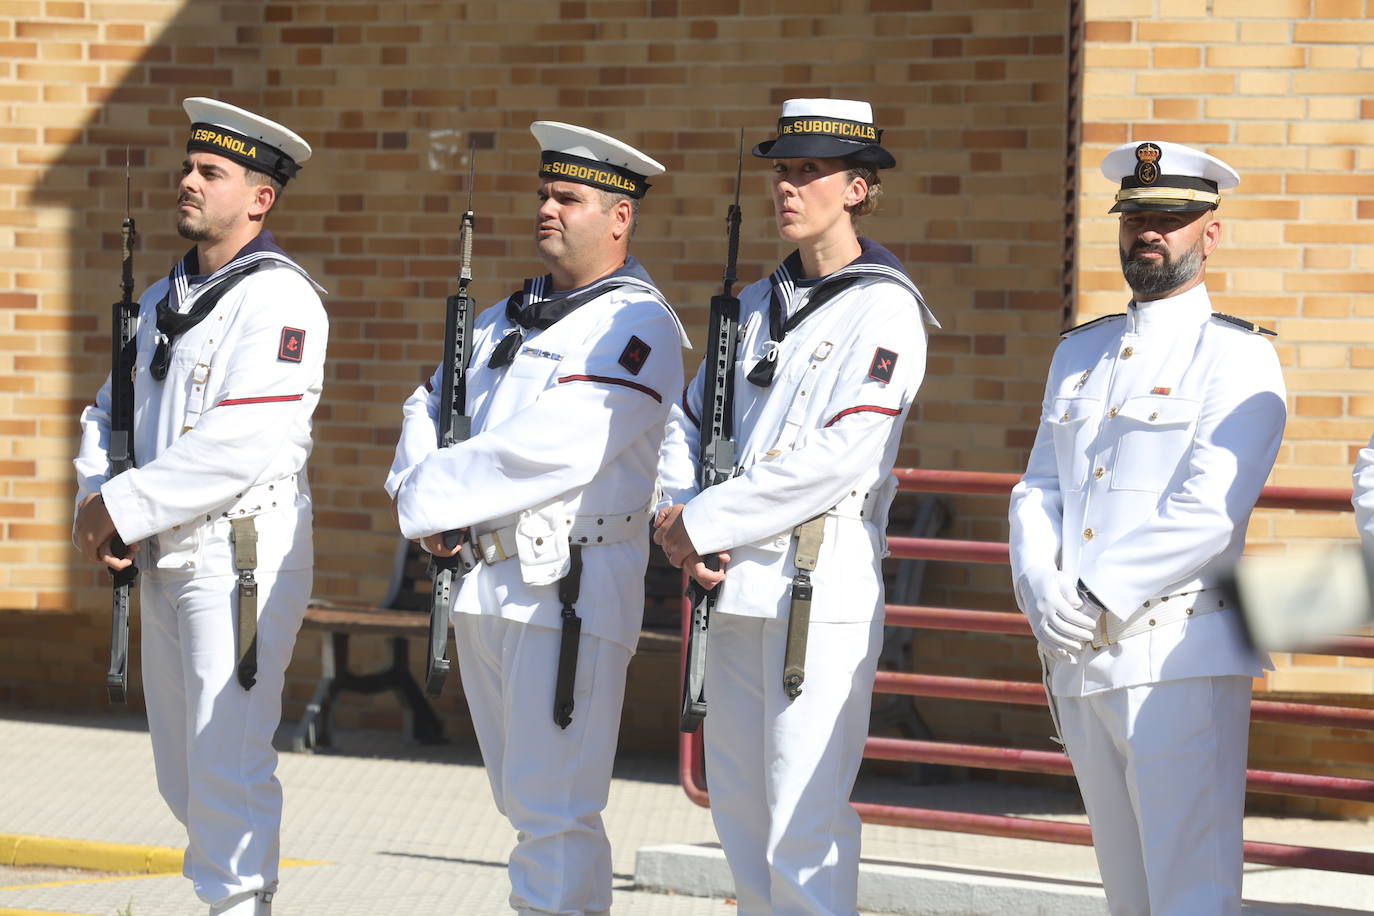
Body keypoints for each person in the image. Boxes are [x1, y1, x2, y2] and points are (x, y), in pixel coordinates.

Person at [386, 121, 687, 916]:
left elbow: (557, 445)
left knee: (556, 810)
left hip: (570, 588)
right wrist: (422, 496)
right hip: (487, 583)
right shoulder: (501, 317)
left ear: (619, 217)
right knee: (528, 806)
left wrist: (431, 498)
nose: (547, 209)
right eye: (545, 193)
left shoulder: (638, 324)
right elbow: (426, 404)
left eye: (569, 198)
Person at [655, 98, 937, 915]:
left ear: (857, 189)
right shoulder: (751, 305)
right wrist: (674, 509)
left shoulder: (885, 306)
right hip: (733, 583)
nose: (787, 187)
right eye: (783, 170)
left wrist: (704, 521)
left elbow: (841, 453)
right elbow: (686, 419)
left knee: (803, 822)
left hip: (817, 582)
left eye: (809, 172)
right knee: (742, 815)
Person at [1008, 140, 1286, 915]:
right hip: (1081, 656)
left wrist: (1094, 591)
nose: (1149, 233)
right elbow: (1038, 487)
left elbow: (1208, 511)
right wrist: (1038, 583)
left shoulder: (1236, 357)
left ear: (1210, 234)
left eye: (1170, 219)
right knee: (1127, 895)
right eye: (1136, 218)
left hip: (1178, 656)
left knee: (1190, 894)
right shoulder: (1080, 352)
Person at [72, 98, 327, 916]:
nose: (187, 180)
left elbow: (238, 441)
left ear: (259, 198)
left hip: (238, 555)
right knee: (182, 775)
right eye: (188, 166)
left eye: (211, 172)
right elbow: (106, 413)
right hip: (164, 553)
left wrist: (121, 506)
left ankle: (241, 903)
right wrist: (95, 494)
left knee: (228, 762)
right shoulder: (160, 298)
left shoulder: (281, 300)